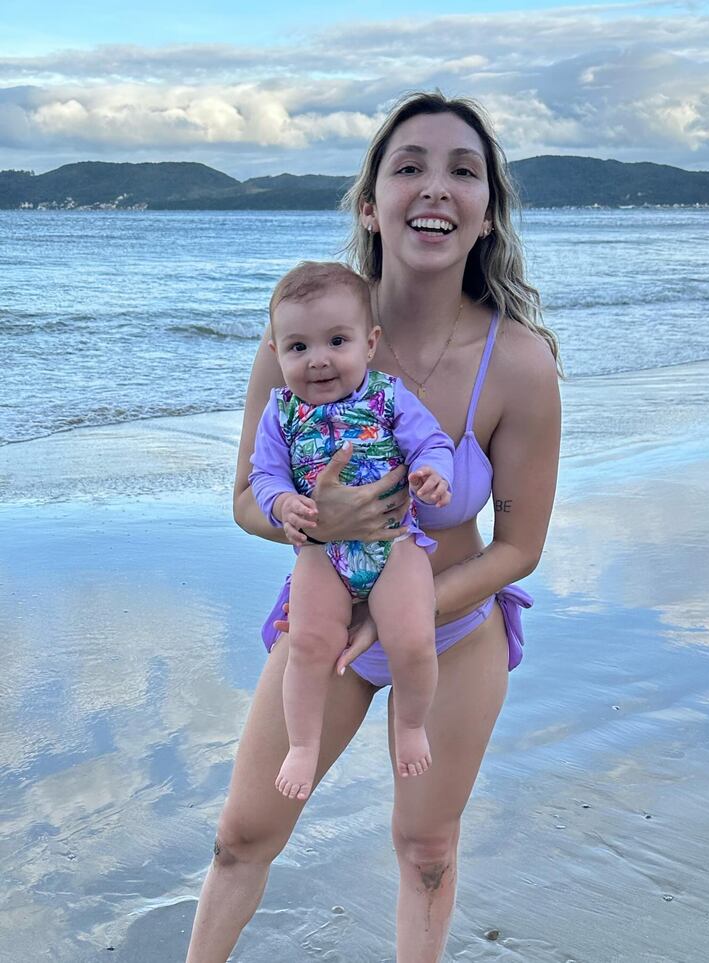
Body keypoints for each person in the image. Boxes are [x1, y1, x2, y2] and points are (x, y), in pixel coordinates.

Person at [185, 90, 561, 963]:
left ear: (488, 213)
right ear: (371, 203)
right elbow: (247, 496)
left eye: (463, 171)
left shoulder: (519, 362)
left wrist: (400, 612)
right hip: (324, 621)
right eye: (409, 167)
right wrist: (309, 518)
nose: (436, 187)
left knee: (426, 849)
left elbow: (520, 545)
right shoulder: (302, 340)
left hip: (456, 624)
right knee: (242, 834)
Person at [248, 260, 454, 800]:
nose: (318, 360)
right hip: (324, 554)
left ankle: (409, 725)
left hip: (396, 545)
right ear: (275, 353)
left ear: (370, 343)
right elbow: (263, 474)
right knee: (308, 646)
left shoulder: (388, 398)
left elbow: (429, 441)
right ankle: (302, 744)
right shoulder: (282, 412)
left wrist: (435, 473)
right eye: (297, 348)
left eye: (336, 341)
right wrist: (283, 503)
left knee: (412, 640)